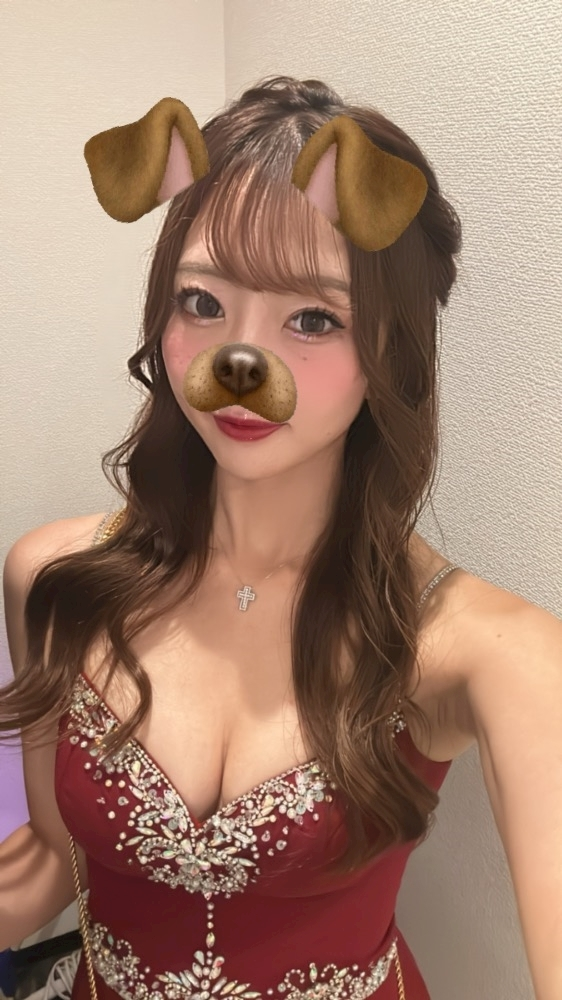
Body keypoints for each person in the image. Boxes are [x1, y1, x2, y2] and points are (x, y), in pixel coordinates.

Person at [2, 75, 482, 998]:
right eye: (201, 302)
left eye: (314, 318)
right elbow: (55, 860)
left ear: (391, 348)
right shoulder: (52, 575)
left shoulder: (461, 639)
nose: (241, 356)